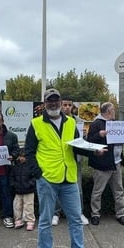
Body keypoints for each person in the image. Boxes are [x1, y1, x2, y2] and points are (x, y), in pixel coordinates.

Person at [24, 88, 103, 248]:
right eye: (49, 100)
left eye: (56, 100)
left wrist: (94, 151)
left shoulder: (70, 122)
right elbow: (28, 152)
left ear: (61, 102)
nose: (53, 103)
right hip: (47, 179)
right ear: (44, 103)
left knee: (75, 218)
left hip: (69, 178)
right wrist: (38, 175)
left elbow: (77, 146)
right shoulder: (36, 124)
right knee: (45, 220)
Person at [87, 102, 124, 226]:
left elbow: (119, 140)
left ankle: (121, 214)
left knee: (119, 190)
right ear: (108, 111)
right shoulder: (96, 124)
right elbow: (89, 141)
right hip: (102, 164)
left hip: (116, 162)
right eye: (113, 110)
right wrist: (99, 135)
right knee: (98, 191)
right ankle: (95, 214)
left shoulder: (115, 124)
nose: (115, 112)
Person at [52, 96, 89, 226]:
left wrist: (84, 135)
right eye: (65, 105)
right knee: (57, 187)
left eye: (69, 105)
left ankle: (79, 212)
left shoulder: (79, 121)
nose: (67, 107)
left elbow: (83, 143)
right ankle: (56, 213)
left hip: (75, 159)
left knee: (77, 188)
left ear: (73, 107)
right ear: (61, 105)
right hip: (59, 159)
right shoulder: (56, 121)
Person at [10, 154, 39, 231]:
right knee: (17, 205)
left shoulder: (31, 166)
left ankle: (30, 221)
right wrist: (14, 185)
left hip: (29, 190)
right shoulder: (15, 167)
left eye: (24, 156)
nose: (21, 158)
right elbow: (11, 177)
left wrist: (29, 184)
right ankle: (18, 219)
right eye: (20, 156)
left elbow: (35, 177)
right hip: (18, 190)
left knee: (29, 206)